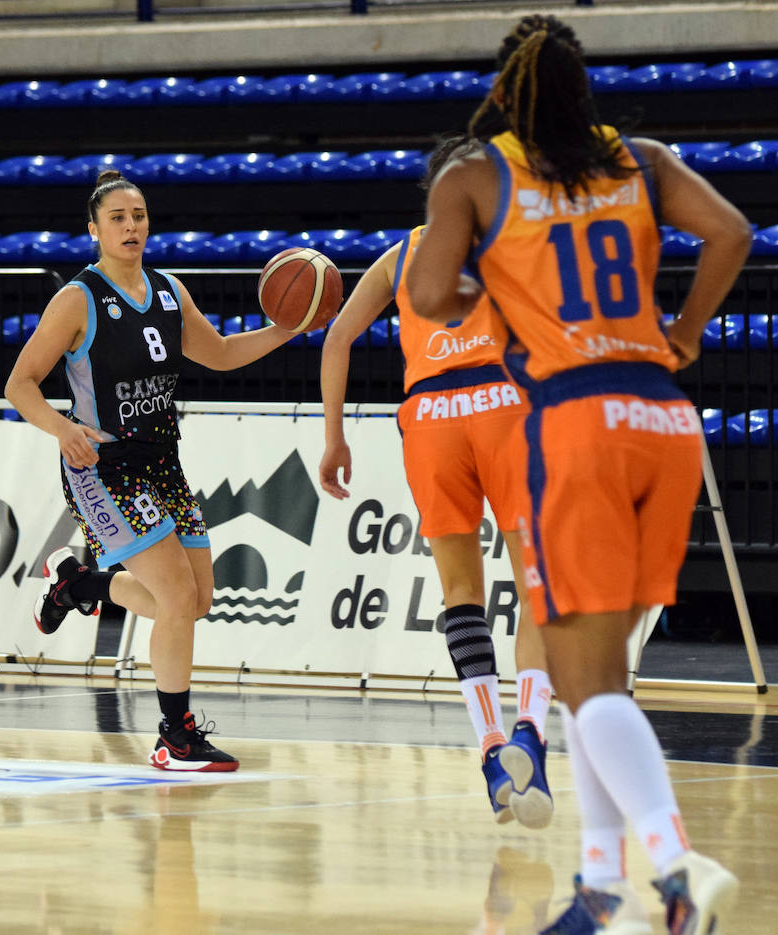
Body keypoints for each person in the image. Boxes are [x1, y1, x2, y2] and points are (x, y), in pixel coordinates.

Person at [408, 15, 752, 935]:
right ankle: (601, 894)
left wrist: (504, 291)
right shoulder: (640, 158)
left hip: (578, 420)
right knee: (595, 678)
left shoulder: (477, 173)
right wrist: (685, 332)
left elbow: (428, 294)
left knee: (582, 678)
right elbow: (732, 233)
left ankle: (675, 868)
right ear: (581, 87)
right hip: (663, 417)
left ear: (505, 92)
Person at [4, 170, 294, 771]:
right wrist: (63, 428)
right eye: (118, 217)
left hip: (162, 461)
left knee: (198, 599)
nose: (131, 225)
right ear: (94, 230)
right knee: (176, 595)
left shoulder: (168, 290)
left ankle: (81, 587)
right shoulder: (78, 299)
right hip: (103, 465)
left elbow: (216, 354)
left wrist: (286, 329)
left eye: (138, 215)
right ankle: (174, 735)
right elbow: (20, 383)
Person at [318, 134, 554, 831]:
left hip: (429, 415)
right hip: (504, 403)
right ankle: (529, 738)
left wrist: (334, 436)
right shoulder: (509, 238)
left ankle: (488, 749)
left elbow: (336, 338)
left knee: (460, 594)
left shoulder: (401, 255)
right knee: (535, 580)